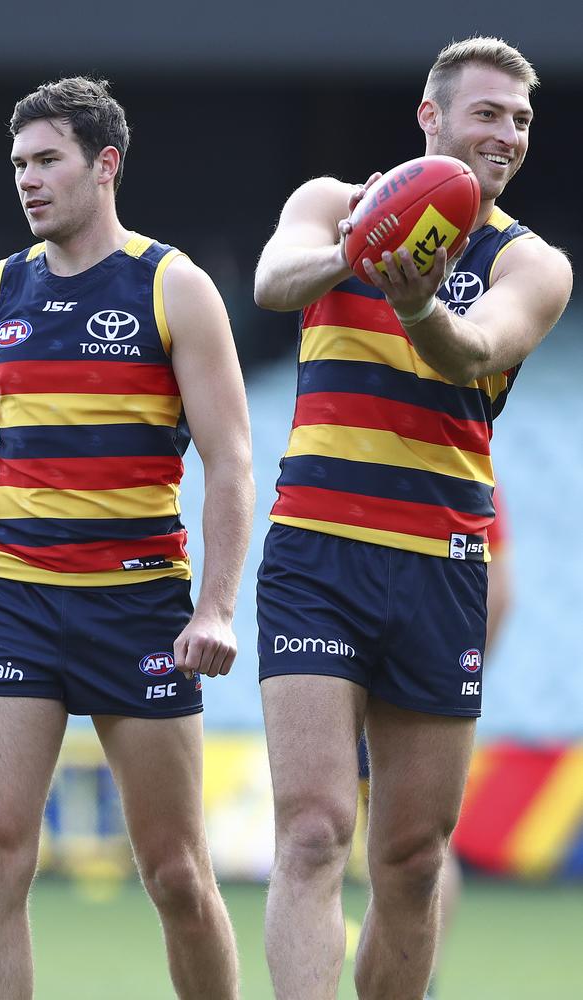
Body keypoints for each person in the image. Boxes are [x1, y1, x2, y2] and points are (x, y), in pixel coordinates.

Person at [253, 36, 572, 1000]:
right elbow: (273, 284)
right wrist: (364, 245)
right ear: (430, 118)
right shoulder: (328, 201)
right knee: (312, 832)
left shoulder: (536, 262)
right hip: (316, 551)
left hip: (439, 563)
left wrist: (418, 300)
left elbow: (473, 352)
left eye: (521, 119)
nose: (508, 135)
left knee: (413, 860)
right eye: (488, 113)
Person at [0, 77, 254, 999]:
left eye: (47, 161)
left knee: (178, 878)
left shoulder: (175, 288)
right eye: (18, 166)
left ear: (105, 166)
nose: (27, 181)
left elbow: (231, 463)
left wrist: (219, 607)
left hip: (139, 609)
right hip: (14, 603)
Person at [354, 484, 514, 1000]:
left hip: (393, 674)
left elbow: (503, 590)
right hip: (400, 669)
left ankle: (418, 975)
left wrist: (450, 680)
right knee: (413, 848)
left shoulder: (470, 475)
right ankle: (419, 976)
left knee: (414, 849)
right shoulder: (471, 474)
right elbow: (503, 589)